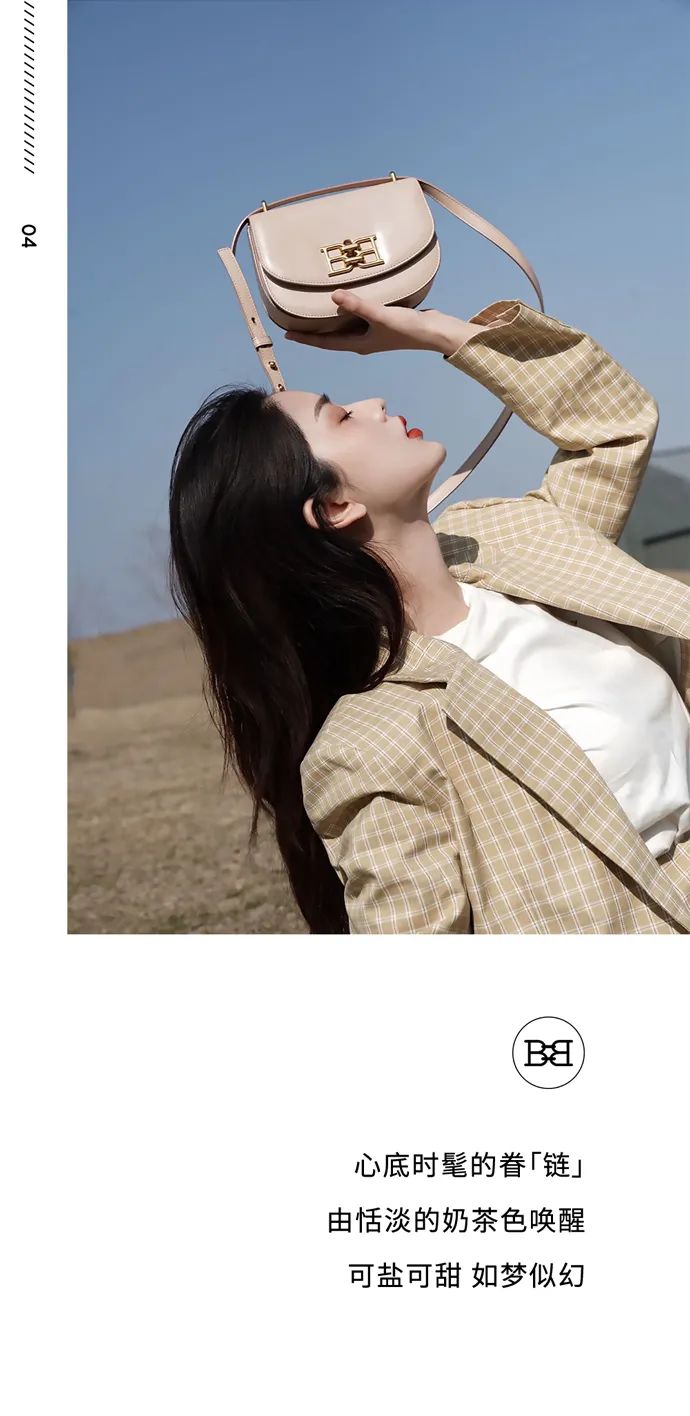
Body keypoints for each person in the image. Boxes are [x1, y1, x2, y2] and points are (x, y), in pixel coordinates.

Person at [168, 288, 690, 935]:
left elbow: (612, 423)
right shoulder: (373, 743)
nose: (374, 403)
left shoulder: (511, 542)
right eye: (341, 417)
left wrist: (434, 332)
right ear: (333, 508)